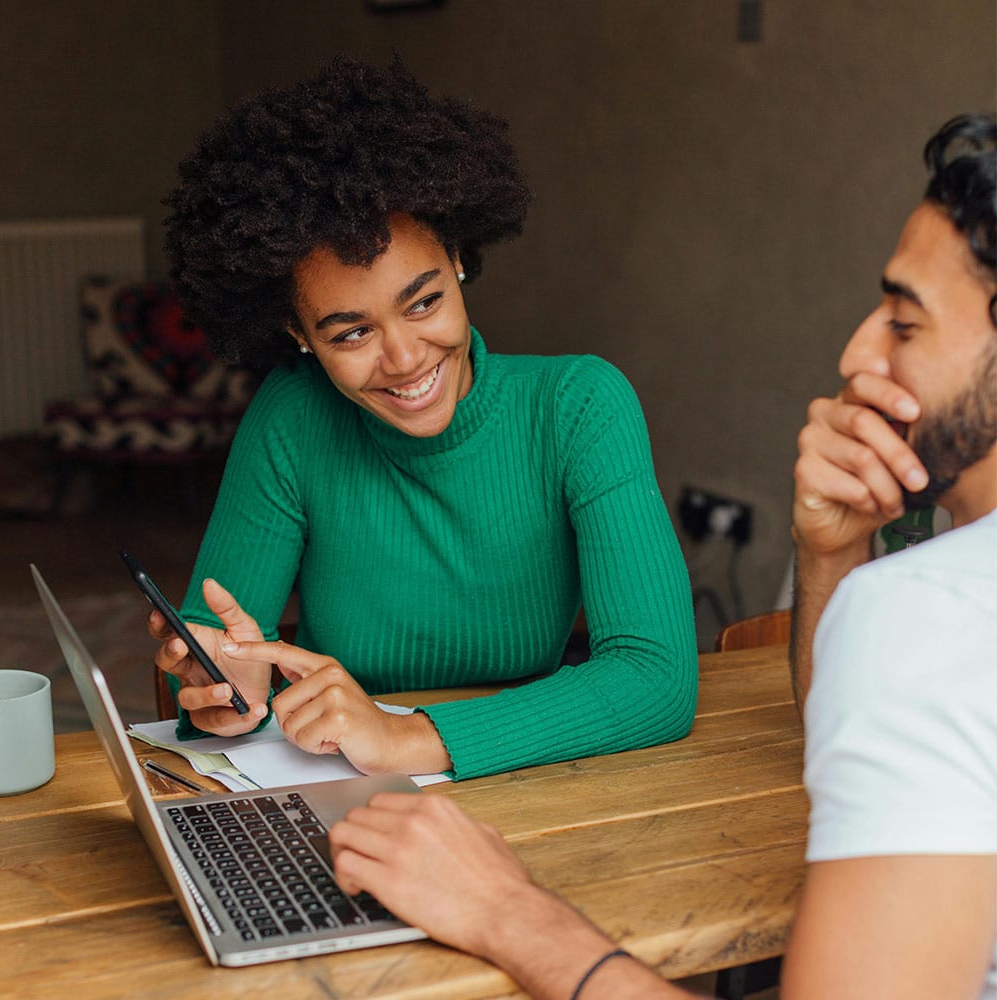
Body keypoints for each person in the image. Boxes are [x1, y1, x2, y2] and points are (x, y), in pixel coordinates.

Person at [324, 113, 997, 999]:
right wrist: (831, 555)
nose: (856, 351)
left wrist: (504, 909)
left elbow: (655, 676)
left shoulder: (927, 614)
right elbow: (858, 742)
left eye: (905, 323)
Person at [151, 56, 698, 781]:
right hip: (344, 788)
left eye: (424, 302)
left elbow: (656, 681)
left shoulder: (579, 406)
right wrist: (228, 694)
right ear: (296, 335)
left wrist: (408, 740)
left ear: (460, 259)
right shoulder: (290, 420)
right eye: (350, 334)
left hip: (536, 777)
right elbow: (210, 660)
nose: (405, 358)